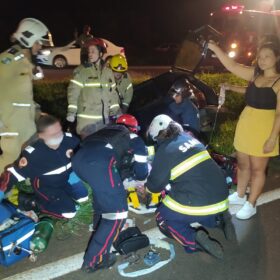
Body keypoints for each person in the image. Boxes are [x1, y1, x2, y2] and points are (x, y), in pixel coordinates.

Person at [208, 38, 280, 219]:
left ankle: (251, 203)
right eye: (260, 56)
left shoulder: (278, 82)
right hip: (246, 124)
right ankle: (240, 196)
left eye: (267, 56)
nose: (262, 60)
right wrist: (214, 47)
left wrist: (272, 138)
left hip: (264, 128)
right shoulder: (255, 75)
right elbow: (231, 66)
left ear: (277, 58)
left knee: (257, 169)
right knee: (242, 164)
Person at [145, 114, 235, 259]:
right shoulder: (190, 139)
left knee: (162, 217)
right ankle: (219, 220)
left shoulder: (165, 150)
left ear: (157, 136)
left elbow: (154, 186)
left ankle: (193, 240)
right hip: (222, 195)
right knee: (195, 201)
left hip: (200, 200)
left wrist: (146, 187)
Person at [72, 114, 148, 273]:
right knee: (117, 214)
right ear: (133, 128)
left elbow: (117, 169)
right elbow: (142, 172)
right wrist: (140, 179)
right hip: (99, 163)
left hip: (79, 161)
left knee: (102, 204)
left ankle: (99, 233)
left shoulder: (106, 133)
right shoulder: (133, 137)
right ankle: (94, 261)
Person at [0, 114, 88, 219]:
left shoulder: (70, 140)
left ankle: (64, 194)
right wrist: (1, 191)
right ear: (41, 135)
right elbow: (11, 175)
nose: (59, 136)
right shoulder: (33, 155)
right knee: (69, 213)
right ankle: (33, 202)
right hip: (47, 185)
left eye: (59, 130)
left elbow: (84, 152)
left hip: (68, 177)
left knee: (83, 197)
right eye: (52, 133)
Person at [0, 18, 53, 173]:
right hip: (11, 124)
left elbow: (21, 94)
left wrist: (36, 111)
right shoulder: (8, 60)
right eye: (38, 42)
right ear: (29, 40)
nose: (40, 46)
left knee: (29, 160)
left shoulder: (24, 60)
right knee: (9, 163)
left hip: (26, 125)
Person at [67, 38, 121, 139]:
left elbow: (113, 93)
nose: (90, 54)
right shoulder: (81, 71)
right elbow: (73, 92)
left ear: (100, 54)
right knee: (89, 151)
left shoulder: (108, 72)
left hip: (103, 121)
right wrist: (71, 112)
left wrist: (116, 111)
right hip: (87, 123)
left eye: (93, 51)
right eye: (89, 52)